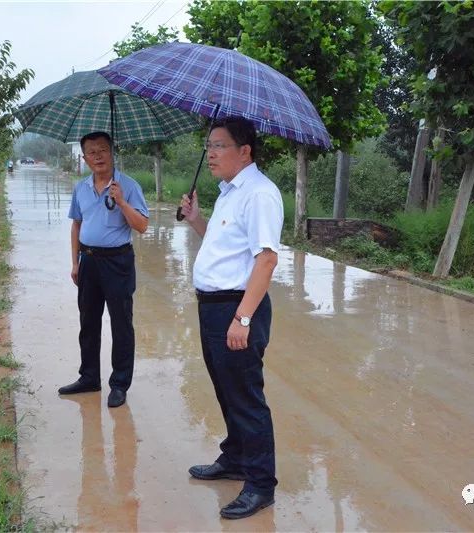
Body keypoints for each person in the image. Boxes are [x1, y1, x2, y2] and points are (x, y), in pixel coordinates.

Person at [179, 116, 283, 519]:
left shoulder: (259, 194)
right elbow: (226, 248)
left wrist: (241, 319)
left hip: (238, 308)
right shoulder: (229, 192)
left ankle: (260, 485)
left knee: (245, 397)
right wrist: (195, 221)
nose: (210, 154)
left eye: (219, 146)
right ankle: (236, 457)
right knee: (226, 391)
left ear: (245, 151)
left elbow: (266, 259)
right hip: (214, 306)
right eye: (208, 146)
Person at [58, 131, 149, 408]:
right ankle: (89, 377)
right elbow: (77, 224)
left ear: (112, 153)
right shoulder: (80, 188)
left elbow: (142, 226)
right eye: (91, 152)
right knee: (88, 322)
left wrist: (121, 201)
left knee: (121, 324)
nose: (98, 156)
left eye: (103, 150)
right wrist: (75, 262)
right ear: (84, 158)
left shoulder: (128, 186)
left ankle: (119, 384)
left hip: (117, 262)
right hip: (88, 261)